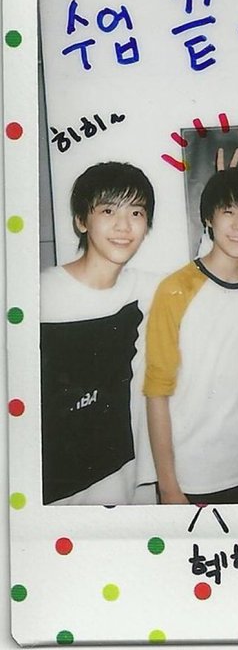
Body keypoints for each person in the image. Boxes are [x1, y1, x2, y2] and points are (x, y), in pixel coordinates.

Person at [144, 158, 238, 504]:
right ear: (208, 219)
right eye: (228, 212)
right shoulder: (175, 289)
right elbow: (157, 391)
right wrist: (168, 486)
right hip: (190, 477)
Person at [41, 161, 159, 505]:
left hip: (116, 479)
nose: (124, 225)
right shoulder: (39, 295)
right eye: (108, 210)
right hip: (51, 492)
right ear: (81, 221)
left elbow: (202, 281)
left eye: (136, 213)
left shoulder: (143, 289)